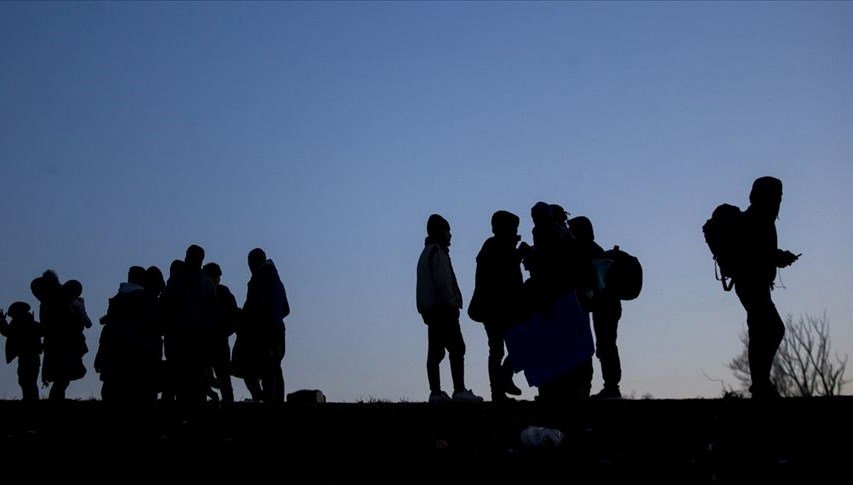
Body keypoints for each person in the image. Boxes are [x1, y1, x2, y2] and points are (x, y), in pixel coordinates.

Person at [733, 176, 799, 399]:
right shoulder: (758, 220)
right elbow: (759, 253)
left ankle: (760, 384)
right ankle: (760, 384)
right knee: (769, 329)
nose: (779, 201)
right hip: (751, 284)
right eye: (777, 196)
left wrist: (778, 258)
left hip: (752, 284)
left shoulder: (758, 218)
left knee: (763, 330)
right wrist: (781, 258)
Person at [416, 214, 482, 403]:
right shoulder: (437, 253)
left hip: (431, 310)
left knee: (435, 352)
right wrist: (452, 303)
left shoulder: (425, 254)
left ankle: (436, 392)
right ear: (440, 232)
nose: (450, 235)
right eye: (447, 231)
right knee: (457, 347)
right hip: (443, 309)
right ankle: (459, 390)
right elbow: (443, 282)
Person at [469, 210, 524, 402]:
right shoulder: (497, 247)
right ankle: (500, 386)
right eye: (513, 228)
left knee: (502, 349)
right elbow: (504, 274)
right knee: (508, 348)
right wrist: (518, 254)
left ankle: (499, 388)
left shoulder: (494, 246)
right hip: (499, 309)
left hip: (496, 308)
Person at [569, 215, 623, 399]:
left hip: (604, 306)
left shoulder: (586, 250)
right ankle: (611, 386)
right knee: (606, 345)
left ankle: (612, 387)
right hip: (608, 305)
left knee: (606, 345)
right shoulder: (594, 249)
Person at [232, 248, 289, 402]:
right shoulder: (278, 282)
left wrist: (245, 321)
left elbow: (255, 308)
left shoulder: (258, 281)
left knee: (261, 368)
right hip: (278, 329)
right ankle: (277, 401)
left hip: (264, 331)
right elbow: (286, 309)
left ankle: (266, 401)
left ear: (252, 263)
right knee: (275, 367)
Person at [203, 262, 239, 403]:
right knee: (224, 381)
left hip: (208, 342)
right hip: (218, 343)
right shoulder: (224, 293)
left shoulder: (205, 292)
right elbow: (234, 318)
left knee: (207, 379)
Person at [0, 302, 44, 401]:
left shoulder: (18, 324)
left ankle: (29, 399)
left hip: (26, 357)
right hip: (32, 357)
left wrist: (2, 321)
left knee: (26, 381)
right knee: (28, 381)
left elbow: (7, 331)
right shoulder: (31, 323)